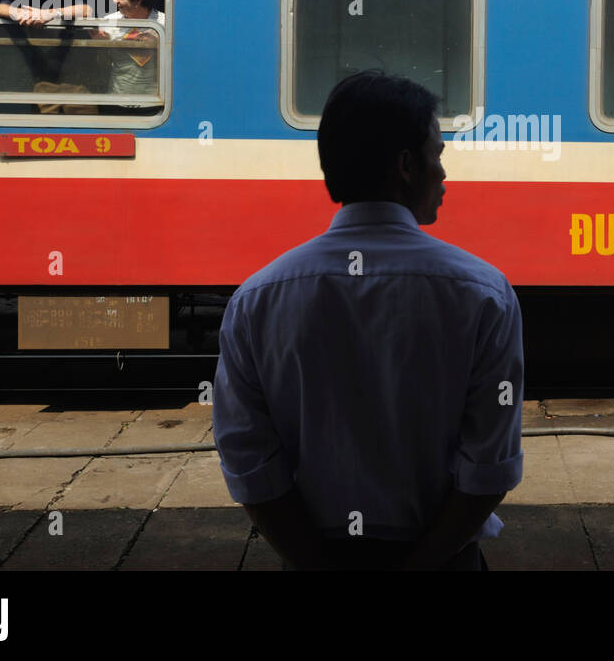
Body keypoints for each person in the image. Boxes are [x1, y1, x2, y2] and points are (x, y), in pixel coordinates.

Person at [212, 71, 524, 571]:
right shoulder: (483, 294)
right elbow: (488, 470)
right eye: (437, 154)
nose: (443, 174)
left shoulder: (257, 299)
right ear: (406, 165)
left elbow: (249, 464)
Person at [0, 0, 96, 114]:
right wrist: (21, 14)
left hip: (77, 72)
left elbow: (87, 10)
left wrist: (50, 13)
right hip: (41, 72)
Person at [93, 0, 164, 107]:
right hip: (116, 102)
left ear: (137, 0)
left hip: (155, 105)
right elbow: (100, 68)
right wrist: (101, 47)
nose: (115, 0)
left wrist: (159, 44)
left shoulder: (164, 24)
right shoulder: (109, 23)